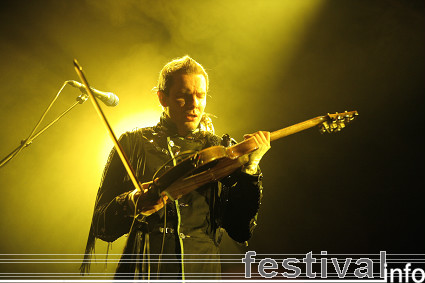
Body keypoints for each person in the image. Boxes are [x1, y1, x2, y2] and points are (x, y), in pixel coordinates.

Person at [81, 55, 270, 280]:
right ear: (163, 98)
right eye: (183, 96)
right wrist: (132, 202)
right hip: (147, 273)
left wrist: (251, 169)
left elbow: (240, 230)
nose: (194, 104)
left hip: (202, 274)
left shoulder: (220, 150)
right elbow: (102, 226)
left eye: (200, 95)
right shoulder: (132, 143)